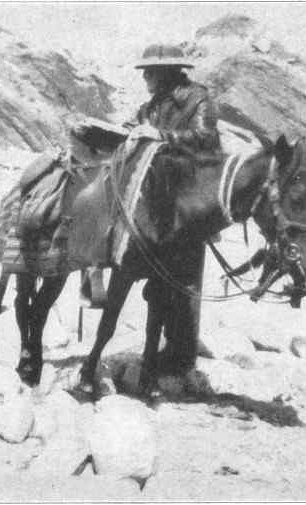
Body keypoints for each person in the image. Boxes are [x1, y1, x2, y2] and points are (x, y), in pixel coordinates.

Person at [76, 44, 221, 376]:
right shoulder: (152, 105)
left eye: (149, 73)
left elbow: (205, 139)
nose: (145, 79)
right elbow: (135, 127)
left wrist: (161, 134)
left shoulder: (199, 100)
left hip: (186, 193)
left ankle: (181, 356)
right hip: (155, 190)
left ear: (166, 73)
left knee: (182, 283)